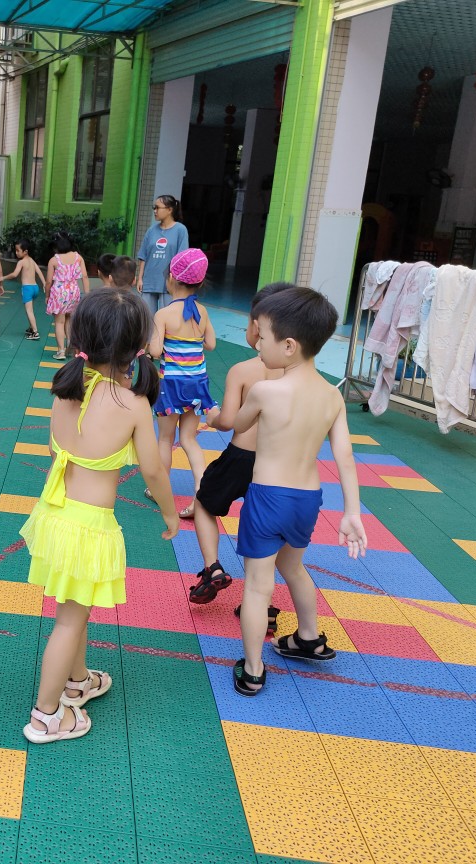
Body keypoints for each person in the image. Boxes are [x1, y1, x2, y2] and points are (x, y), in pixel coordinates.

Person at [21, 290, 180, 743]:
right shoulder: (132, 404)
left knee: (76, 608)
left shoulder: (67, 389)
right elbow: (154, 470)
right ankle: (46, 716)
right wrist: (170, 514)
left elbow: (56, 448)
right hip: (89, 528)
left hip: (56, 516)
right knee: (69, 620)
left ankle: (77, 681)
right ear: (136, 346)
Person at [231, 286, 369, 697]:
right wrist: (352, 512)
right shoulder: (332, 396)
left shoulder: (266, 390)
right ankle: (308, 636)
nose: (258, 343)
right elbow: (344, 456)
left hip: (268, 497)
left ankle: (253, 668)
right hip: (307, 499)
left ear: (289, 346)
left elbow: (239, 424)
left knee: (258, 585)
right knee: (293, 567)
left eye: (263, 336)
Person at [188, 283, 293, 607]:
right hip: (281, 462)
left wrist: (212, 415)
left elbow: (229, 421)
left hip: (241, 457)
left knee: (204, 503)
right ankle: (264, 604)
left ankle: (213, 568)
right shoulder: (299, 376)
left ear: (257, 327)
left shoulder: (244, 371)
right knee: (262, 528)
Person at [147, 248, 217, 518]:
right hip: (197, 384)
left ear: (172, 279)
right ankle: (201, 489)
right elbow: (210, 344)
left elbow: (155, 351)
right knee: (189, 438)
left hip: (172, 385)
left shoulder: (164, 314)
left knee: (165, 438)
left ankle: (159, 490)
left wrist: (154, 344)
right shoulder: (203, 311)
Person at [136, 195, 189, 316]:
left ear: (169, 209)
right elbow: (143, 255)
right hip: (149, 281)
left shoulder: (180, 230)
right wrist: (140, 278)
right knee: (147, 318)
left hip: (169, 283)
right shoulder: (151, 230)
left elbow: (181, 257)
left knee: (168, 317)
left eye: (157, 208)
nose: (155, 211)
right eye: (154, 208)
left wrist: (176, 281)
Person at [45, 232, 88, 361]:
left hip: (59, 292)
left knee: (59, 322)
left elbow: (48, 281)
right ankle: (70, 344)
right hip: (73, 291)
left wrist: (47, 295)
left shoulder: (54, 260)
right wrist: (87, 294)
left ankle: (61, 351)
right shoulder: (78, 257)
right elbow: (85, 276)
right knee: (69, 318)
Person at [1, 238, 46, 341]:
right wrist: (44, 283)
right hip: (35, 288)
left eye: (18, 250)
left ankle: (35, 332)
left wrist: (3, 277)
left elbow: (14, 274)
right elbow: (39, 272)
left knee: (29, 311)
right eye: (15, 250)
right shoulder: (32, 260)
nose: (16, 253)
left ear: (25, 251)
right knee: (30, 310)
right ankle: (31, 328)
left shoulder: (21, 262)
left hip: (27, 289)